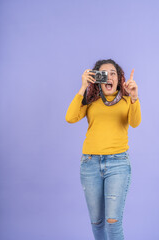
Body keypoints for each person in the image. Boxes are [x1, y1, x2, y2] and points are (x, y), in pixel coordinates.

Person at [65, 59, 141, 240]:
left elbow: (135, 123)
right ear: (97, 78)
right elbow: (70, 117)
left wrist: (134, 97)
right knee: (97, 222)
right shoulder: (91, 101)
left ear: (119, 77)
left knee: (113, 222)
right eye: (104, 73)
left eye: (113, 73)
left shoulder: (126, 100)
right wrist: (83, 87)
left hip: (118, 164)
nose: (109, 77)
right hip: (90, 164)